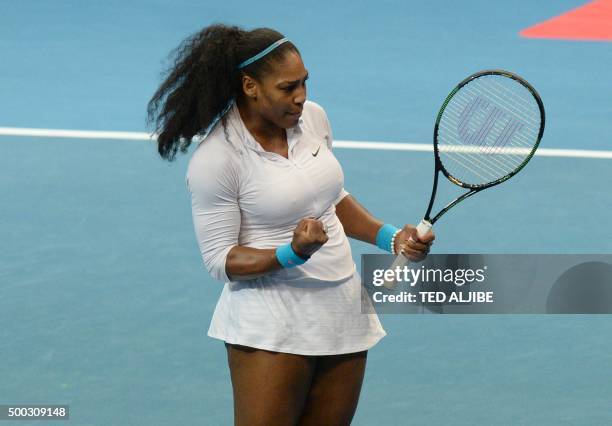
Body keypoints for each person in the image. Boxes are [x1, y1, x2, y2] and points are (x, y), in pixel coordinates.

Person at [147, 24, 435, 426]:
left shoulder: (313, 119)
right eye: (287, 88)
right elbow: (220, 260)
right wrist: (292, 253)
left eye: (304, 83)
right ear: (250, 86)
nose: (300, 97)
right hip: (271, 322)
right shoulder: (217, 160)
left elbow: (330, 197)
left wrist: (389, 238)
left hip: (342, 310)